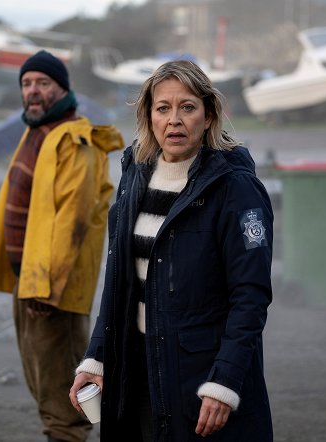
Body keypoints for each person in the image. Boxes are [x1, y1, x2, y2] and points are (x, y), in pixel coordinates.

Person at [69, 60, 274, 441]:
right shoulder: (134, 178)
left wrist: (224, 382)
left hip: (201, 377)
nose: (174, 120)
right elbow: (120, 282)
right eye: (163, 108)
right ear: (149, 115)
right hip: (138, 370)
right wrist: (97, 357)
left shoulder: (236, 189)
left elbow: (251, 296)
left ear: (209, 115)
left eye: (188, 107)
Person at [0, 50, 124, 442]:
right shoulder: (37, 131)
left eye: (43, 83)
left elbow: (72, 225)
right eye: (27, 84)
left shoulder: (76, 140)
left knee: (64, 393)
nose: (33, 91)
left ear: (62, 88)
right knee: (43, 381)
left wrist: (47, 288)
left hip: (52, 291)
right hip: (29, 281)